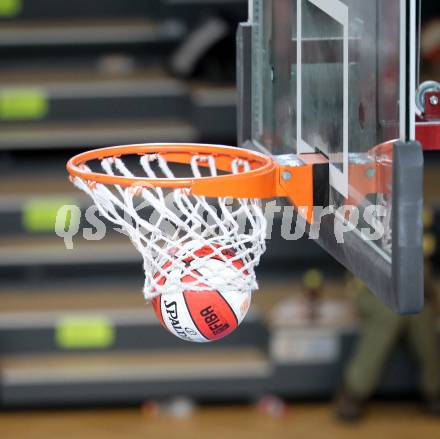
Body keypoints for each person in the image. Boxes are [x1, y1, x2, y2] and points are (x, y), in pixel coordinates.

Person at [335, 209, 440, 421]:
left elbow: (422, 270)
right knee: (389, 313)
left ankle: (434, 389)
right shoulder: (366, 208)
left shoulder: (413, 210)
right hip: (371, 289)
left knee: (421, 313)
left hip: (408, 291)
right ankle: (354, 390)